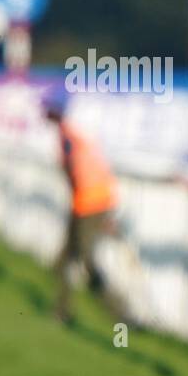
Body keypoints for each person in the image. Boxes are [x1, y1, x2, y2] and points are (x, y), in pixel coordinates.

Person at [43, 93, 129, 324]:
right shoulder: (69, 134)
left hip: (91, 204)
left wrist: (105, 214)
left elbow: (80, 173)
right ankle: (62, 312)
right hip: (85, 203)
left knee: (85, 260)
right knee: (65, 259)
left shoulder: (69, 138)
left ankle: (121, 314)